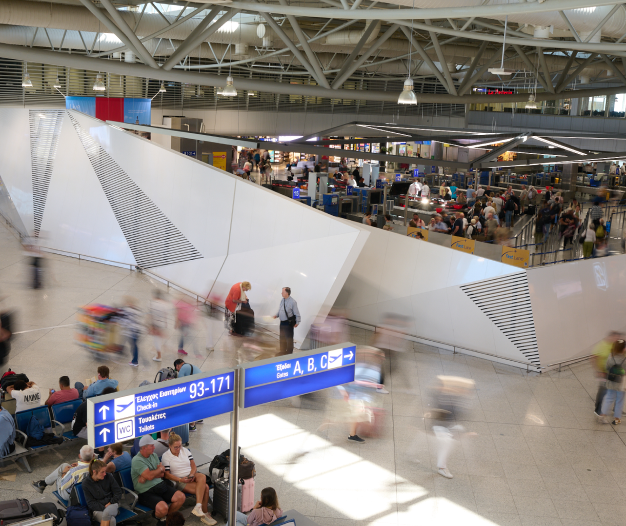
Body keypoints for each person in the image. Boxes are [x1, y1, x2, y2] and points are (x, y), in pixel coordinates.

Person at [162, 433, 216, 525]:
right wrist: (180, 480)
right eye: (176, 447)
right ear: (169, 446)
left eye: (180, 446)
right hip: (179, 479)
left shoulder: (185, 450)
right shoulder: (166, 456)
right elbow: (166, 475)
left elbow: (193, 466)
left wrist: (192, 474)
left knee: (202, 476)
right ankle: (205, 514)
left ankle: (198, 506)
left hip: (191, 475)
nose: (178, 449)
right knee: (206, 487)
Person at [131, 436, 186, 526]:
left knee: (181, 497)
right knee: (163, 508)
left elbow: (161, 474)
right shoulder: (137, 460)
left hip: (160, 485)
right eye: (151, 446)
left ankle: (165, 519)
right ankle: (163, 518)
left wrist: (148, 475)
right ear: (144, 447)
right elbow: (151, 475)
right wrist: (159, 469)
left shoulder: (154, 455)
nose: (154, 447)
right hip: (145, 491)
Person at [83, 459, 123, 526]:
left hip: (112, 504)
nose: (105, 474)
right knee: (111, 520)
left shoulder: (109, 476)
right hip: (97, 509)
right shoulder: (86, 483)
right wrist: (104, 508)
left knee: (107, 513)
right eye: (102, 472)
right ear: (94, 472)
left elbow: (118, 492)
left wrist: (111, 502)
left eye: (105, 471)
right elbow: (91, 503)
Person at [593, 332, 623, 415]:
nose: (617, 339)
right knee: (603, 391)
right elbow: (593, 358)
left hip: (615, 373)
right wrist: (598, 370)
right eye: (616, 338)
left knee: (618, 391)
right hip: (604, 373)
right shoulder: (602, 345)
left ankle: (616, 409)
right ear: (611, 337)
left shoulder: (616, 346)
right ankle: (597, 409)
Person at [599, 339, 626, 425]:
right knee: (619, 400)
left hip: (611, 380)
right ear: (623, 348)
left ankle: (603, 415)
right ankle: (617, 419)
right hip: (621, 382)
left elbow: (607, 367)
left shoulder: (611, 356)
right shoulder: (625, 359)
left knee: (609, 398)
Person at [273, 287, 301, 355]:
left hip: (288, 323)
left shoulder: (293, 302)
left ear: (287, 293)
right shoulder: (282, 300)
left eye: (283, 292)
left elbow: (296, 313)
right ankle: (282, 351)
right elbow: (280, 310)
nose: (281, 293)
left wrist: (297, 322)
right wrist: (276, 315)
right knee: (282, 337)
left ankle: (289, 352)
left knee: (289, 338)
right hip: (282, 322)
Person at [120, 297, 142, 367]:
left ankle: (135, 361)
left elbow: (124, 321)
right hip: (137, 331)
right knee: (134, 346)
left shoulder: (127, 310)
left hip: (132, 331)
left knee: (133, 346)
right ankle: (134, 360)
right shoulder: (136, 310)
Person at [149, 289, 169, 362]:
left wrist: (150, 325)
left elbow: (151, 315)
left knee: (157, 340)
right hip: (162, 323)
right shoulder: (165, 304)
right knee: (159, 338)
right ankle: (159, 348)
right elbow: (166, 315)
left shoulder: (153, 303)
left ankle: (158, 356)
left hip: (156, 324)